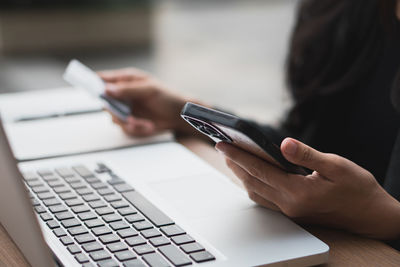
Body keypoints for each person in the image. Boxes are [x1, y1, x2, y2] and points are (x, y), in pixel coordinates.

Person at [99, 0, 400, 247]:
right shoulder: (336, 12)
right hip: (316, 239)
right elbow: (305, 143)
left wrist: (384, 218)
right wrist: (182, 111)